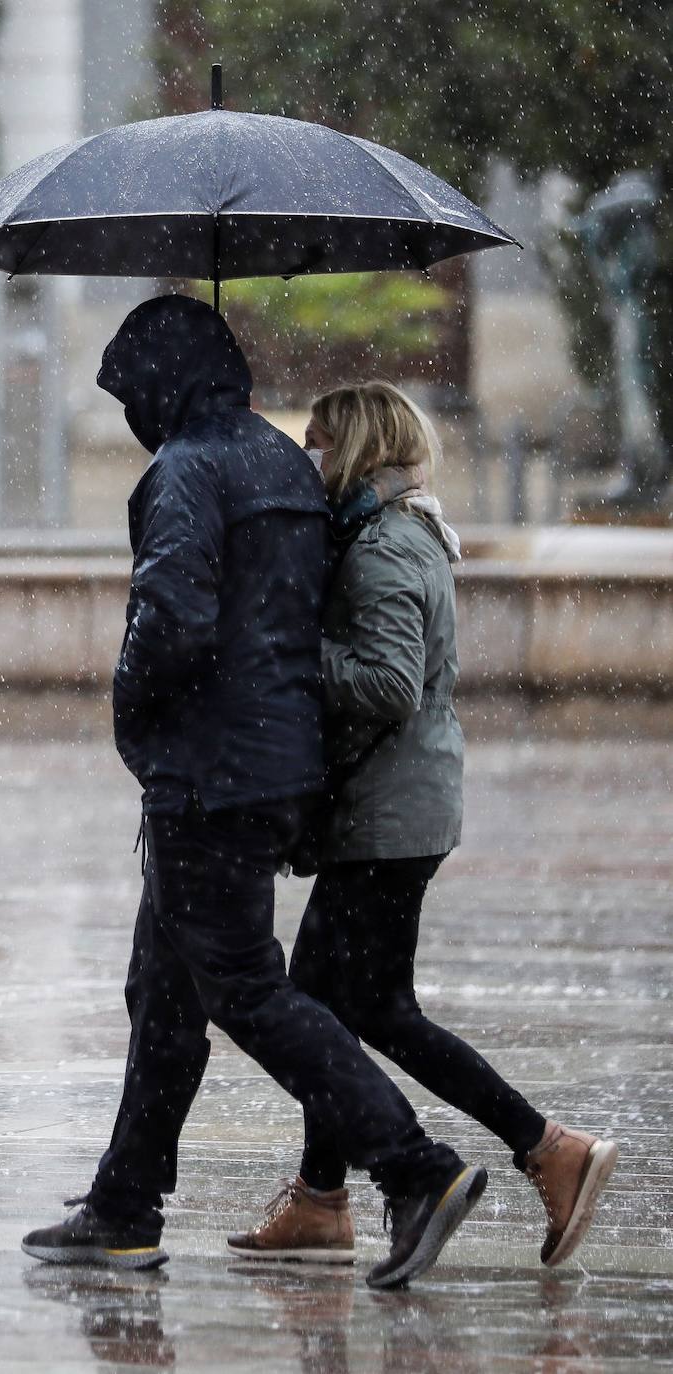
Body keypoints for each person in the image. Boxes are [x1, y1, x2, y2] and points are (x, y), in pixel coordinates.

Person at [21, 297, 487, 1290]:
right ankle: (123, 1206)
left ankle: (414, 1169)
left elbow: (174, 619)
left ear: (162, 383)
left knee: (242, 986)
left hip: (209, 774)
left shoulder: (187, 470)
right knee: (164, 989)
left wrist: (133, 719)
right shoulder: (280, 462)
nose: (129, 413)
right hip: (276, 768)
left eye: (131, 392)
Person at [227, 381, 618, 1269]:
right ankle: (321, 1200)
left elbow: (390, 684)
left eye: (321, 442)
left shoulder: (388, 545)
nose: (309, 458)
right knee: (330, 1006)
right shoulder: (386, 532)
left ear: (359, 447)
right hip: (394, 809)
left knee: (373, 1011)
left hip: (390, 816)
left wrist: (291, 652)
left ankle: (548, 1149)